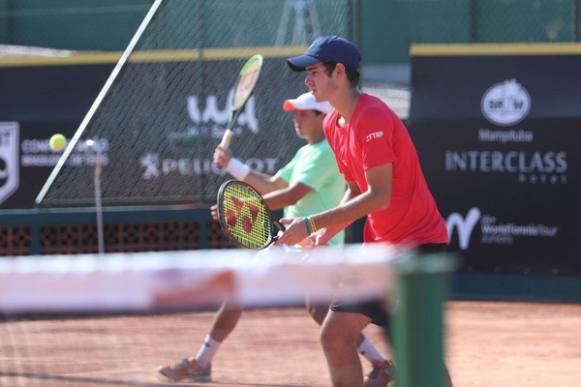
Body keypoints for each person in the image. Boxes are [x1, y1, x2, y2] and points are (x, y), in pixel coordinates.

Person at [158, 91, 393, 386]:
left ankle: (201, 363)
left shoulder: (326, 152)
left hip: (312, 244)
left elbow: (293, 194)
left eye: (303, 113)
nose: (296, 119)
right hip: (297, 242)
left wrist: (243, 208)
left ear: (323, 117)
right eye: (294, 113)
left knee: (240, 289)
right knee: (319, 309)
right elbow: (272, 184)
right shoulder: (306, 152)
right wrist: (232, 164)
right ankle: (381, 364)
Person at [275, 36, 452, 387]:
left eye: (313, 71)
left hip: (417, 245)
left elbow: (379, 196)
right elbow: (355, 188)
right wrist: (320, 233)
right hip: (380, 249)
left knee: (415, 350)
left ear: (338, 72)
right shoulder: (331, 125)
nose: (307, 80)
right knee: (336, 334)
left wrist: (309, 221)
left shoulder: (372, 116)